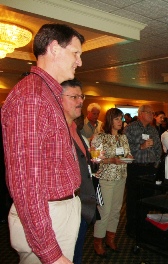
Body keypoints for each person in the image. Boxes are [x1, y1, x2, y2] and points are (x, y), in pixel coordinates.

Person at [1, 24, 84, 264]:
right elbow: (27, 185)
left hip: (59, 210)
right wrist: (50, 253)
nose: (79, 62)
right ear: (54, 48)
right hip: (48, 215)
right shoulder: (33, 98)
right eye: (76, 53)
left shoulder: (47, 94)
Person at [61, 79, 98, 264]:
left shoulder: (76, 129)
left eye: (81, 96)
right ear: (58, 99)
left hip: (81, 203)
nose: (80, 101)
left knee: (77, 254)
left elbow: (83, 161)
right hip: (64, 207)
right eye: (74, 97)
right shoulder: (56, 130)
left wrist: (93, 167)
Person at [91, 108, 132, 256]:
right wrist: (111, 160)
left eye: (121, 119)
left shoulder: (123, 137)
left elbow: (127, 152)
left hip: (121, 176)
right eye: (116, 119)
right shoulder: (100, 137)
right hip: (105, 178)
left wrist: (129, 156)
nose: (120, 122)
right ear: (109, 120)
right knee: (105, 211)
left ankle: (110, 238)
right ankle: (98, 242)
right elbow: (95, 159)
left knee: (116, 210)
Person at [124, 104, 162, 238]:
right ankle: (132, 228)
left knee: (147, 199)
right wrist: (141, 146)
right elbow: (124, 149)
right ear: (141, 114)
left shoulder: (153, 130)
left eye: (153, 113)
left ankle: (144, 226)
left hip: (150, 168)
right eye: (149, 112)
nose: (152, 115)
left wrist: (156, 164)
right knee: (133, 199)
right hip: (135, 168)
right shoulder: (130, 128)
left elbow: (158, 148)